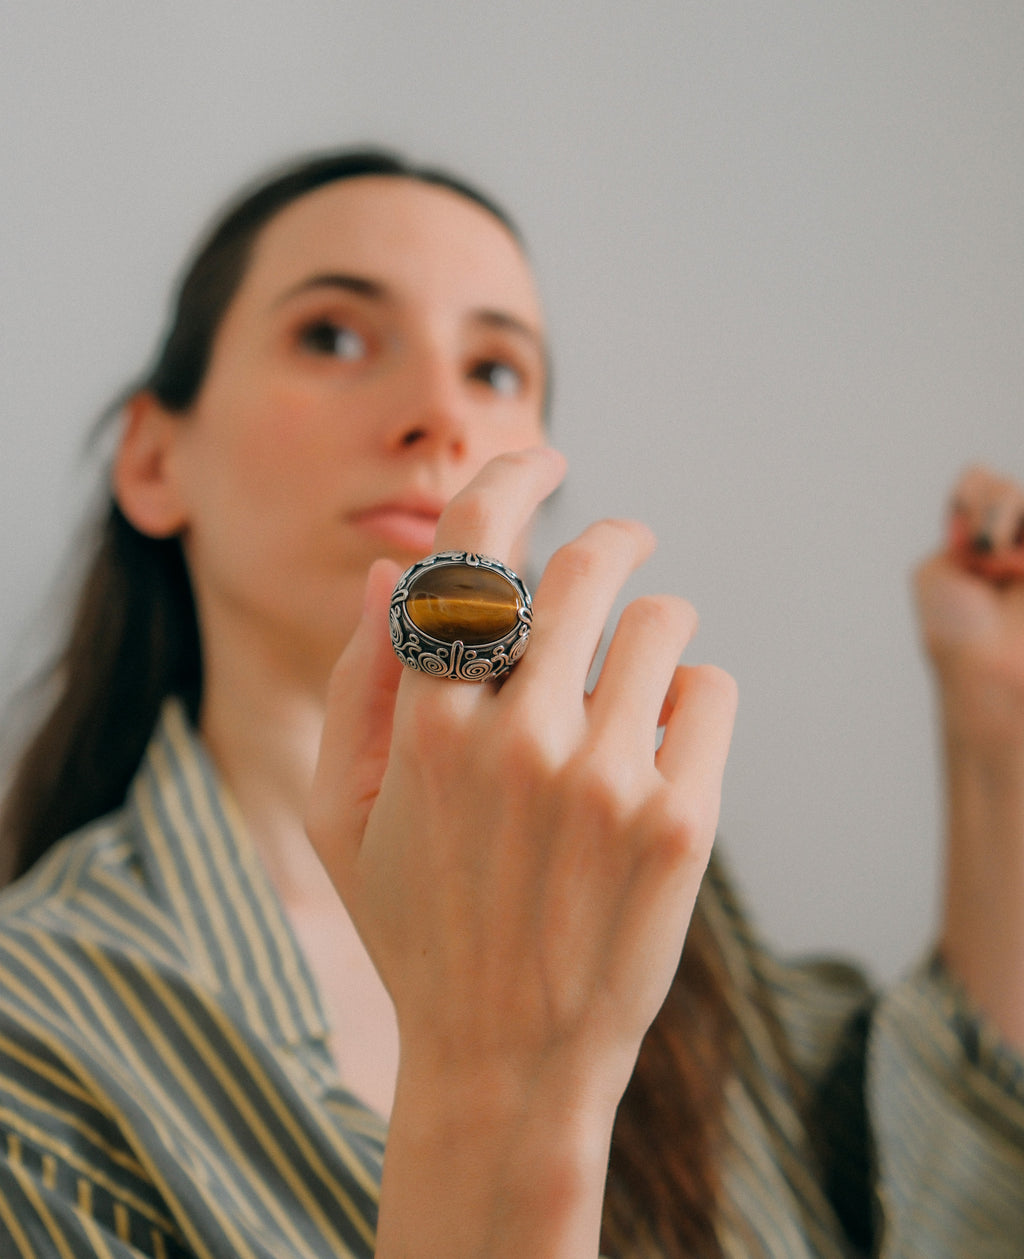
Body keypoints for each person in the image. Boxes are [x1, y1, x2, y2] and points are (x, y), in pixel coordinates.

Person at [0, 148, 1021, 1259]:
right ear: (153, 458)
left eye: (493, 370)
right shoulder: (37, 1032)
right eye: (332, 336)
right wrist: (501, 1073)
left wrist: (997, 736)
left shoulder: (633, 864)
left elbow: (933, 1199)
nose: (436, 413)